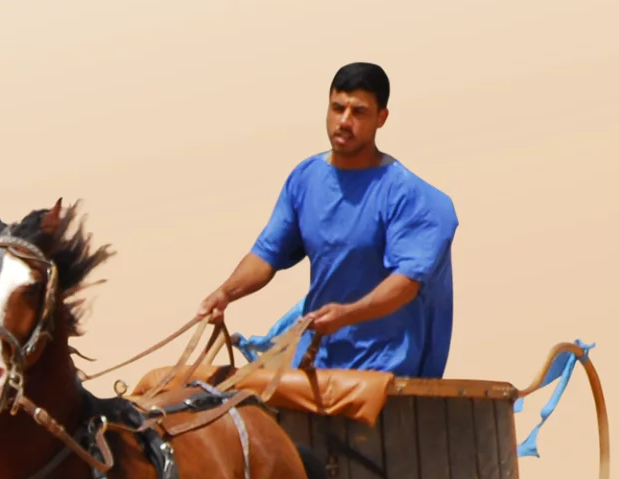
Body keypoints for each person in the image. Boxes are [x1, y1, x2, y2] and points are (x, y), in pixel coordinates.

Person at [196, 62, 457, 376]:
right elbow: (267, 255)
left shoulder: (410, 197)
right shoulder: (306, 180)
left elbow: (404, 286)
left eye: (358, 112)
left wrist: (347, 315)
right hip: (315, 360)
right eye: (338, 108)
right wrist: (225, 294)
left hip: (384, 369)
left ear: (381, 118)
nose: (345, 121)